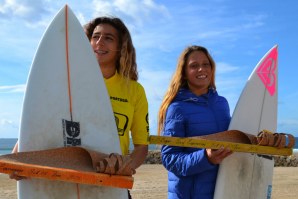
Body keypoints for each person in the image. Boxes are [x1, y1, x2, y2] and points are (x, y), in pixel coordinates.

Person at [11, 17, 149, 198]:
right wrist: (19, 153)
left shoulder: (134, 90)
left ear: (120, 47)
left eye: (108, 38)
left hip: (108, 184)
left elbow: (141, 146)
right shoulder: (65, 83)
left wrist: (124, 165)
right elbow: (43, 121)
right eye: (95, 36)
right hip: (61, 182)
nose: (99, 42)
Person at [158, 45, 232, 199]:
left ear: (212, 69)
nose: (201, 69)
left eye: (206, 64)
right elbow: (169, 158)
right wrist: (205, 158)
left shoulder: (222, 104)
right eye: (194, 66)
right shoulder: (177, 108)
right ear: (184, 73)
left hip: (221, 192)